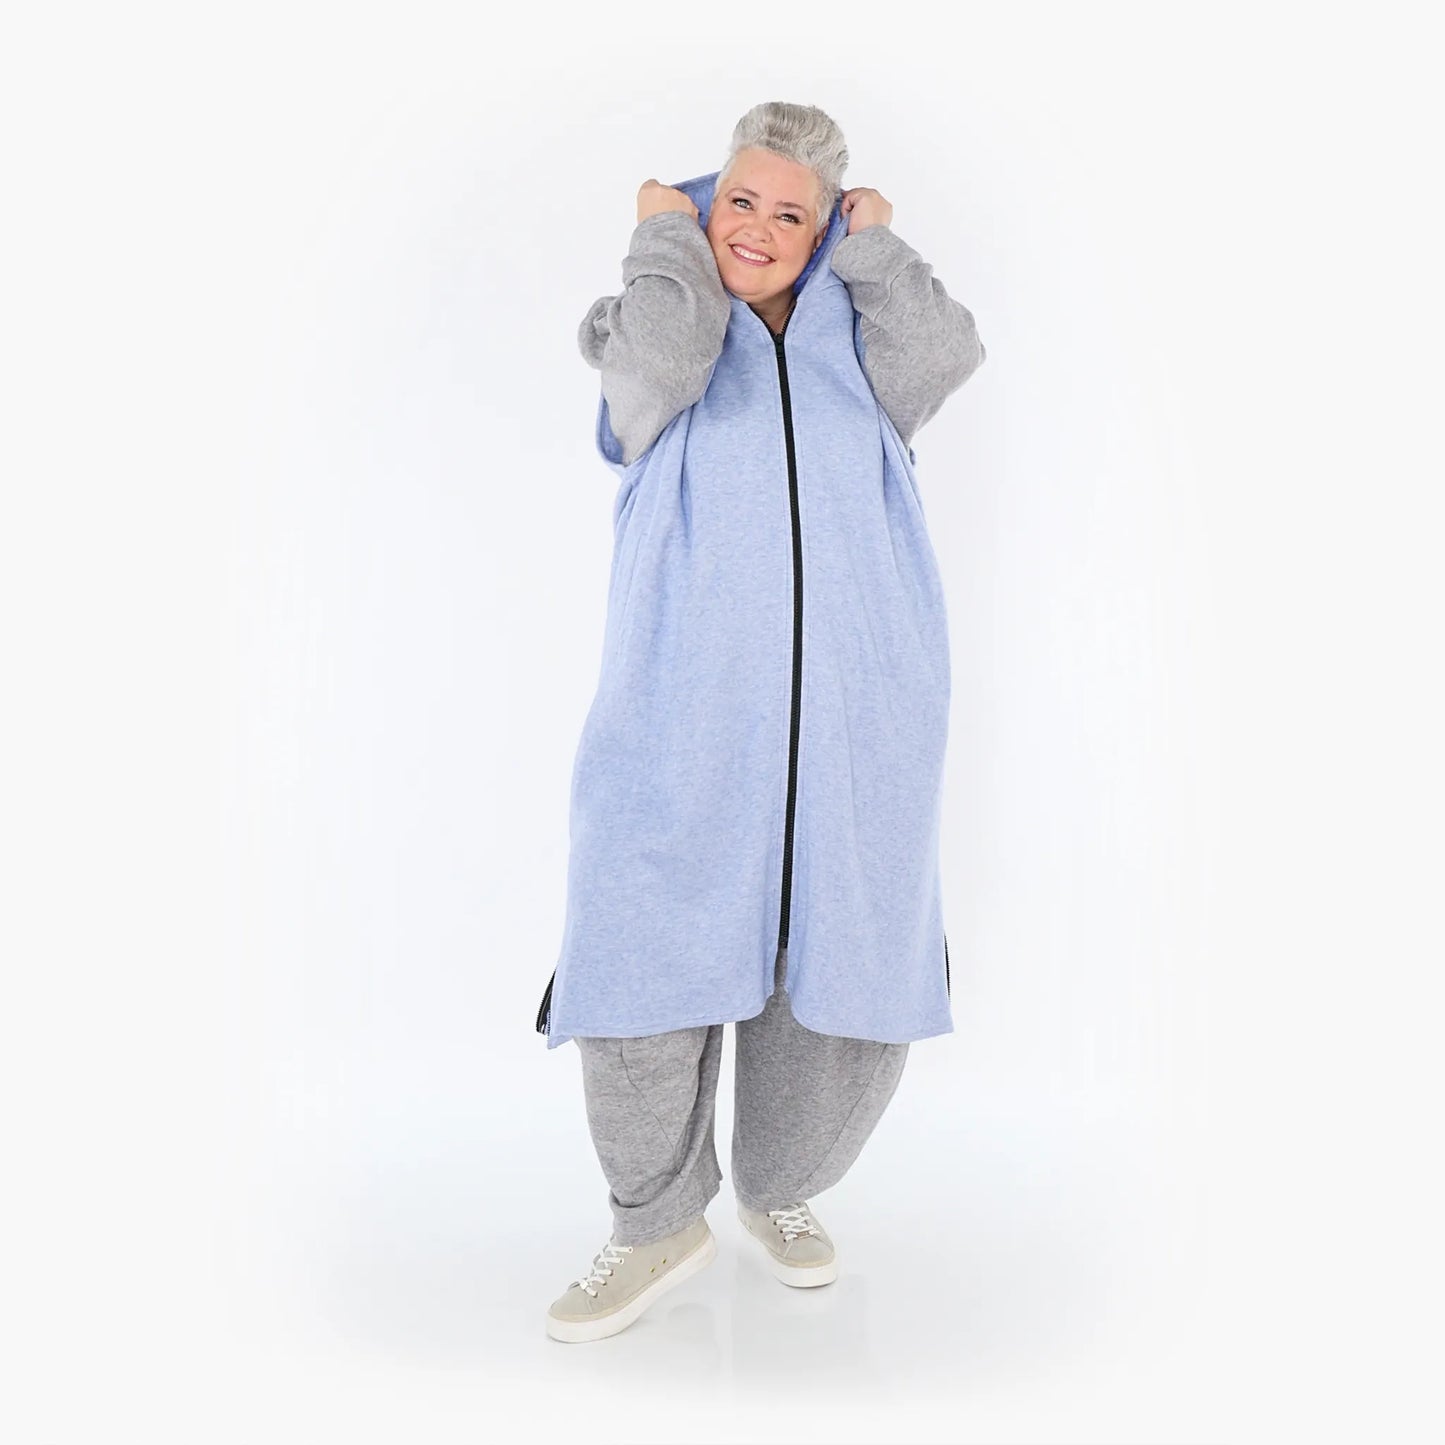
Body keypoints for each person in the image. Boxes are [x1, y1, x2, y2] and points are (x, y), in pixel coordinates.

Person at [538, 101, 987, 1343]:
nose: (758, 228)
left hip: (861, 706)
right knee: (642, 943)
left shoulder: (866, 342)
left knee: (836, 947)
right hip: (679, 707)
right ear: (704, 202)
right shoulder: (656, 320)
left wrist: (875, 250)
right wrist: (661, 235)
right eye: (738, 199)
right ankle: (652, 1219)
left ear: (824, 226)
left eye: (792, 213)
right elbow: (667, 362)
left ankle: (779, 1183)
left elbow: (947, 353)